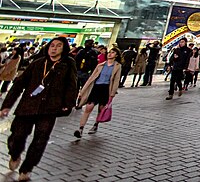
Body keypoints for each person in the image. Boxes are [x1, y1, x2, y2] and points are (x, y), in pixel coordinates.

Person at [1, 37, 77, 181]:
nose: (54, 48)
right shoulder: (37, 63)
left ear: (64, 48)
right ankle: (15, 154)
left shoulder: (67, 65)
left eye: (58, 46)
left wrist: (68, 104)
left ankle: (26, 169)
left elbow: (72, 85)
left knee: (40, 141)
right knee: (17, 136)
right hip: (27, 107)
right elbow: (19, 85)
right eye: (52, 45)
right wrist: (6, 105)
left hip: (49, 110)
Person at [74, 47, 121, 138]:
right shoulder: (100, 65)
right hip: (96, 88)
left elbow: (116, 80)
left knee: (101, 108)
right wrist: (83, 90)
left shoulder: (117, 66)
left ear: (116, 55)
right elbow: (91, 78)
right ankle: (80, 128)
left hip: (106, 89)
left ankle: (96, 124)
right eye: (109, 52)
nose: (110, 54)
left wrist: (112, 93)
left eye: (113, 53)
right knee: (89, 107)